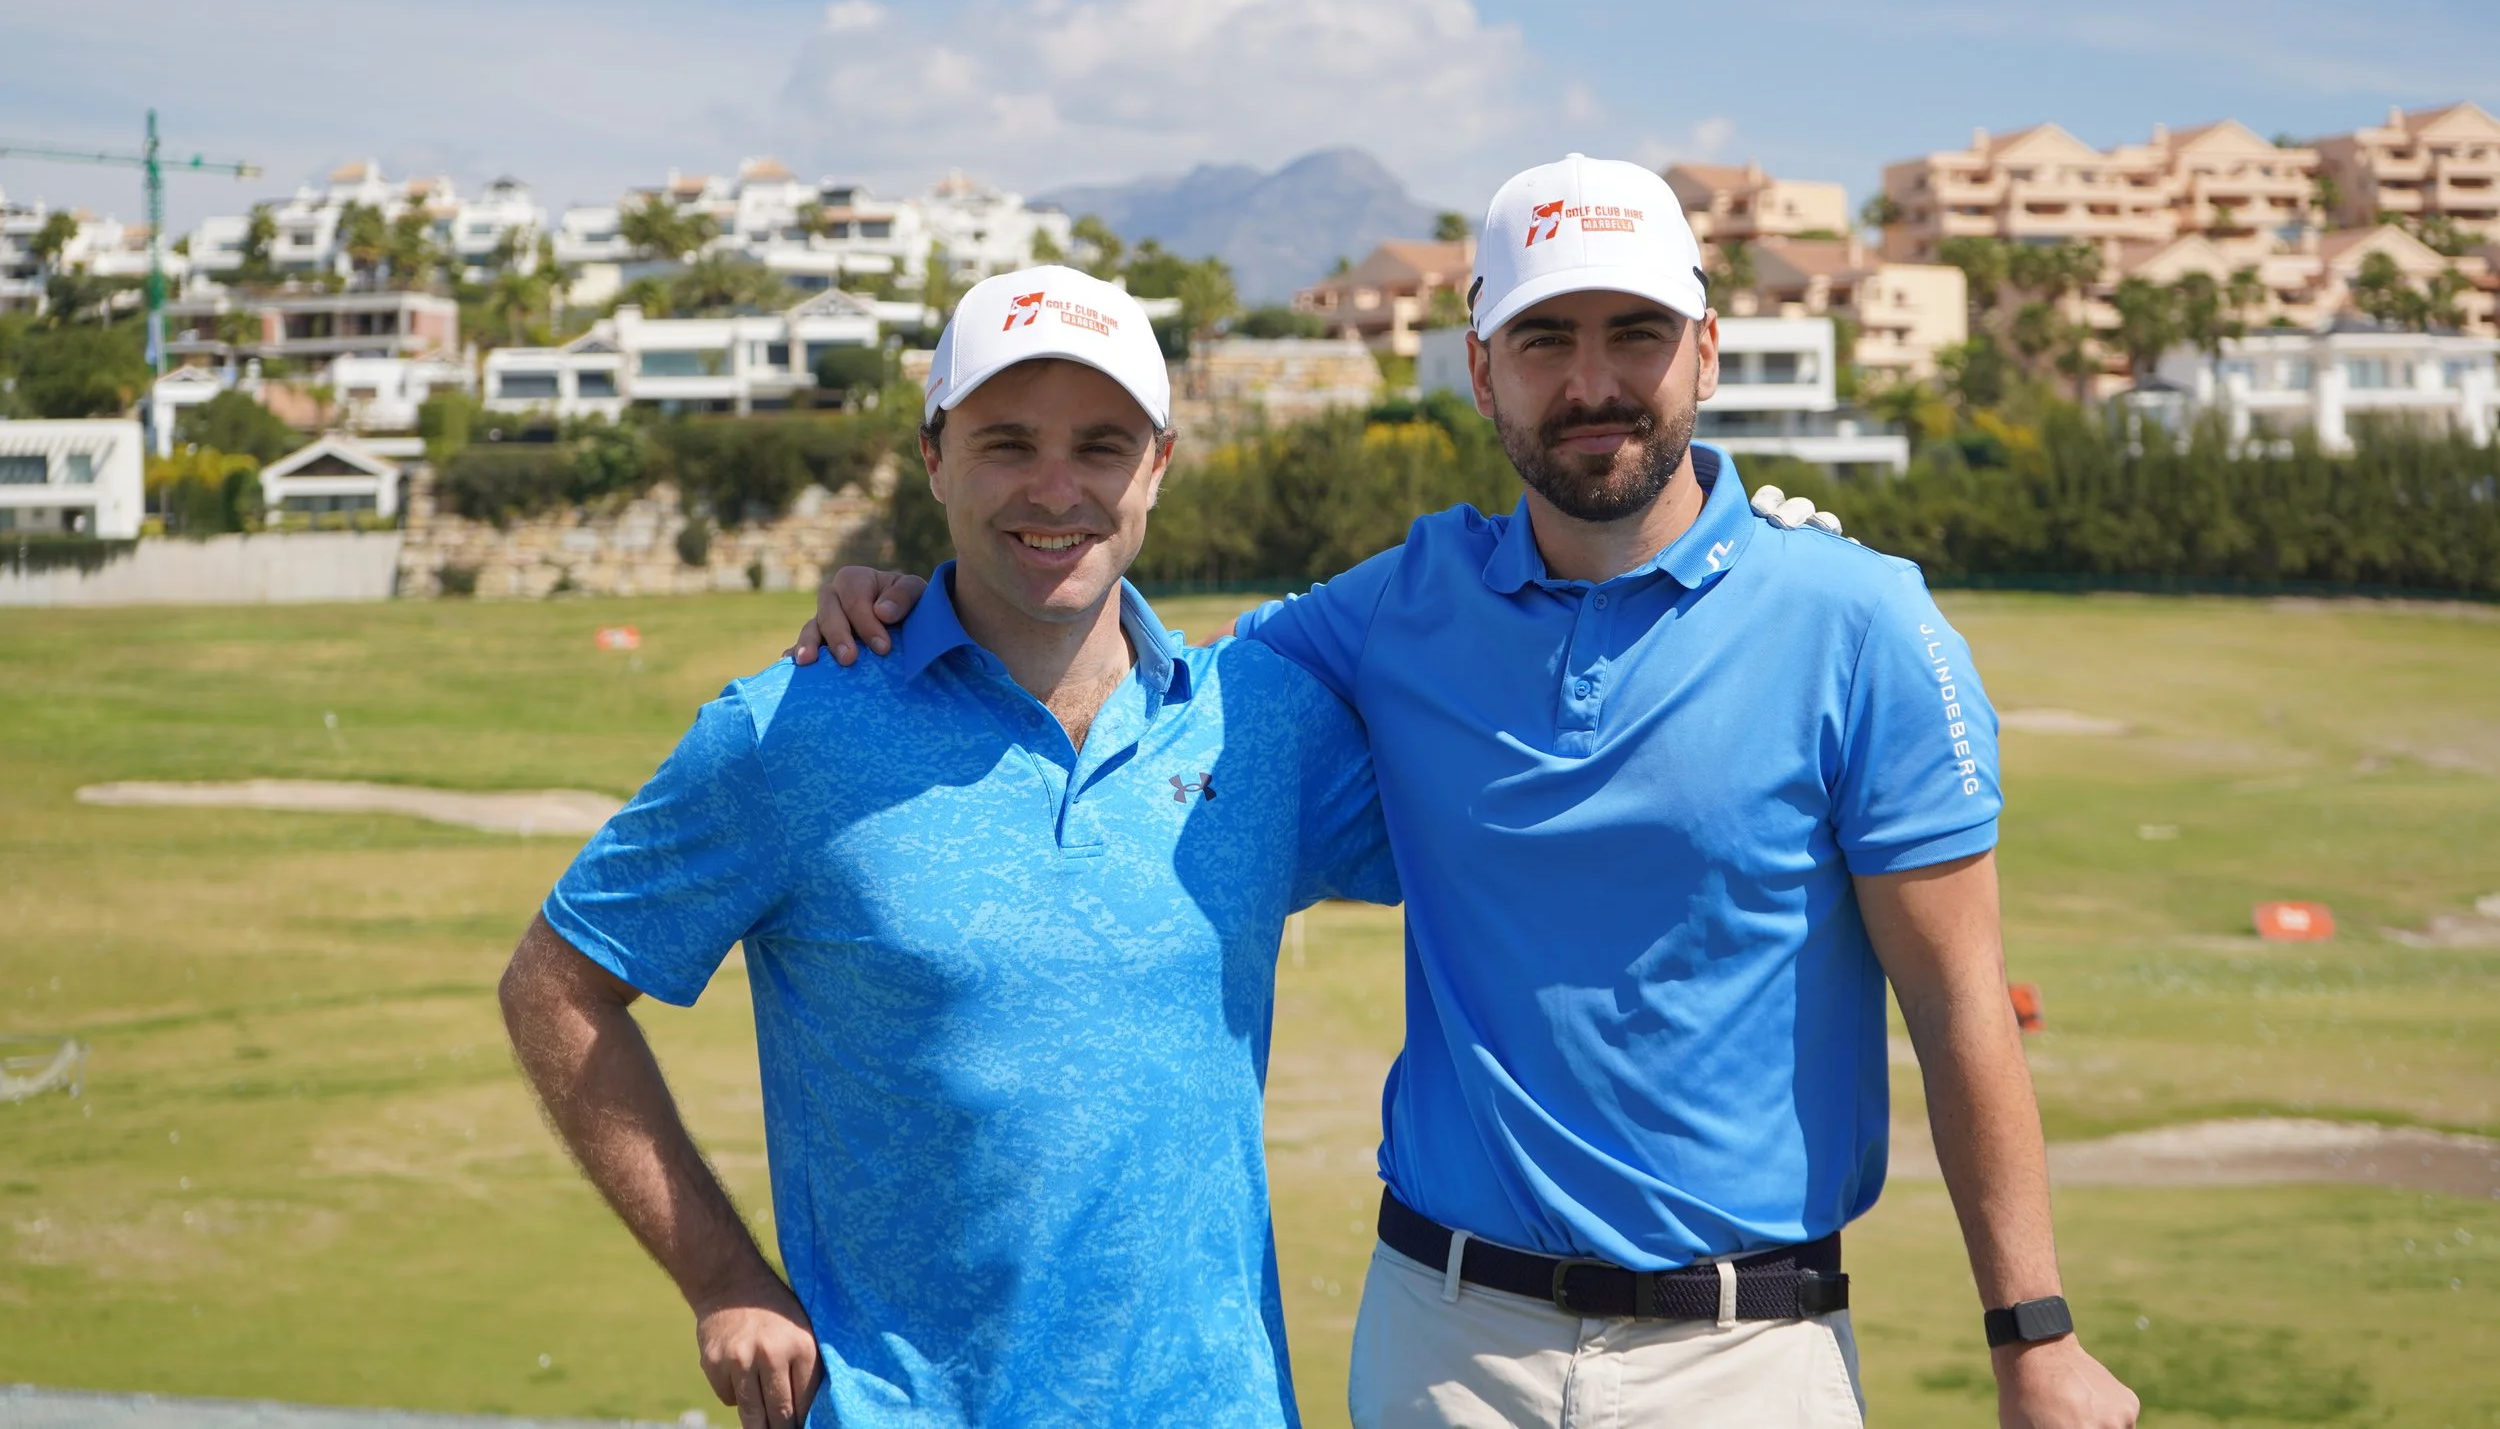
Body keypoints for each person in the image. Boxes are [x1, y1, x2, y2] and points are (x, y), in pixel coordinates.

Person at [795, 157, 2139, 1428]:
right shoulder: (1397, 605)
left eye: (1637, 333)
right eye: (1548, 340)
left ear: (1709, 352)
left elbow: (1962, 997)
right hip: (1445, 1346)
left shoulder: (1859, 619)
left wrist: (2033, 1331)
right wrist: (928, 603)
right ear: (1484, 373)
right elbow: (1138, 685)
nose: (1594, 380)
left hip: (1744, 1353)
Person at [499, 263, 1402, 1429]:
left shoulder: (1257, 721)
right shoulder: (792, 728)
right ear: (933, 456)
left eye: (1101, 446)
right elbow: (555, 986)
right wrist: (722, 1279)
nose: (1055, 488)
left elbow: (1506, 804)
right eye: (1007, 443)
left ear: (1160, 466)